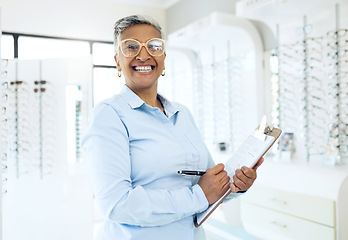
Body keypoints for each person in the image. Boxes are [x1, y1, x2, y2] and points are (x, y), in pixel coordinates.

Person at [81, 14, 263, 240]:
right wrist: (198, 196)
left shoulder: (181, 113)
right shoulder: (109, 115)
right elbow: (116, 204)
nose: (144, 54)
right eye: (131, 47)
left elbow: (208, 185)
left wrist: (235, 185)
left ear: (164, 58)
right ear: (117, 60)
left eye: (154, 46)